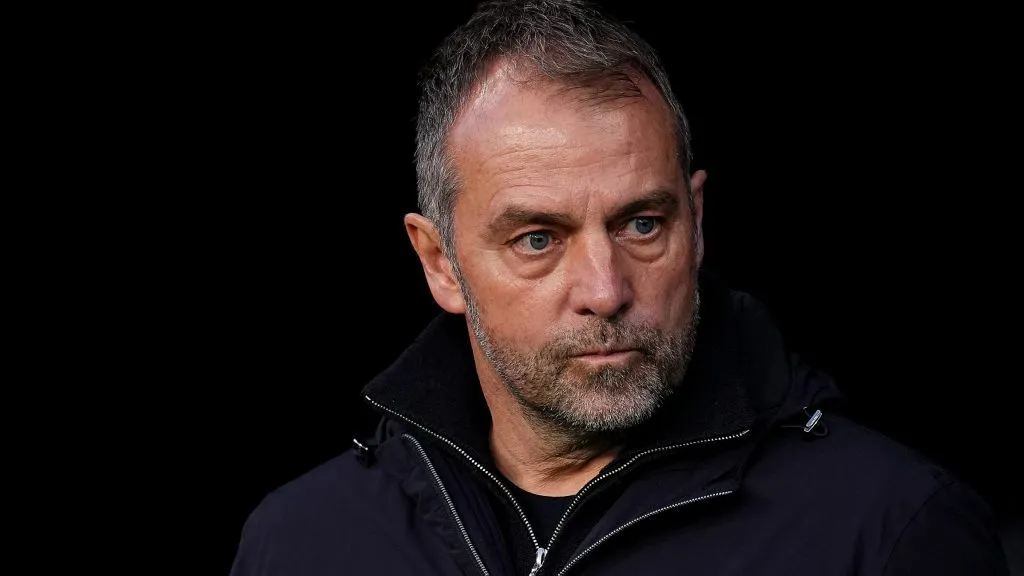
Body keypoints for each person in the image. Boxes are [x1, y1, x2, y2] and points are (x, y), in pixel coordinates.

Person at [229, 1, 1010, 574]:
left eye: (642, 224)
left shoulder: (890, 528)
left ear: (695, 221)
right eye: (538, 239)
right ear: (440, 263)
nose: (605, 291)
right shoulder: (303, 542)